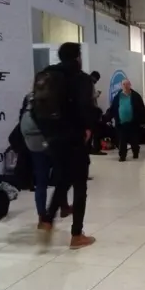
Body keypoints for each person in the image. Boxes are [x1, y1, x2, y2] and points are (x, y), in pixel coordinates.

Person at [38, 42, 96, 250]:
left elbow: (35, 108)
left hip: (54, 138)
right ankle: (76, 235)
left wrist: (48, 132)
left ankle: (47, 219)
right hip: (75, 139)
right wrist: (87, 129)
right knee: (80, 185)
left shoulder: (47, 75)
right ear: (77, 57)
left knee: (63, 179)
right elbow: (85, 108)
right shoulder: (81, 79)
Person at [106, 79, 145, 162]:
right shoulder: (118, 96)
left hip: (133, 123)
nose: (125, 86)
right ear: (121, 85)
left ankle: (135, 152)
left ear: (130, 85)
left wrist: (143, 121)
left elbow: (141, 109)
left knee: (134, 140)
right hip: (121, 123)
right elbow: (113, 108)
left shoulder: (135, 96)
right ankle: (122, 156)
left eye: (127, 84)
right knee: (122, 140)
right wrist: (107, 118)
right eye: (123, 84)